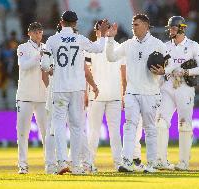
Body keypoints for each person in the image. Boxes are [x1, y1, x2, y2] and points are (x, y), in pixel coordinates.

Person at [41, 11, 109, 175]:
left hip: (59, 88)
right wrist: (103, 34)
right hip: (77, 88)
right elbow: (99, 48)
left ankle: (62, 161)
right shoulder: (80, 39)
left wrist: (51, 69)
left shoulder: (52, 40)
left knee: (58, 124)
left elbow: (44, 66)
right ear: (75, 24)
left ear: (61, 22)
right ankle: (77, 165)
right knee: (77, 127)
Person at [106, 14, 170, 173]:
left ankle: (152, 163)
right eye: (132, 24)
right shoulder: (128, 44)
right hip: (132, 92)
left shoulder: (158, 44)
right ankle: (127, 161)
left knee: (150, 128)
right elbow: (111, 57)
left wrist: (164, 71)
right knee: (129, 126)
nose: (133, 27)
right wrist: (110, 40)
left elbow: (171, 64)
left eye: (136, 24)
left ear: (146, 26)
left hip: (150, 93)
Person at [152, 16, 199, 171]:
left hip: (185, 87)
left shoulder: (193, 46)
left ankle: (183, 162)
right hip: (167, 86)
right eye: (170, 28)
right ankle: (161, 160)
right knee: (161, 122)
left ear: (182, 28)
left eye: (173, 28)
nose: (170, 31)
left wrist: (186, 71)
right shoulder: (164, 46)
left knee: (184, 125)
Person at [85, 20, 126, 171]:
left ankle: (118, 163)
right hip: (96, 96)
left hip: (113, 95)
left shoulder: (118, 48)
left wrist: (124, 93)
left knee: (113, 131)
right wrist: (85, 93)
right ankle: (89, 163)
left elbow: (123, 73)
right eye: (99, 29)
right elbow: (86, 72)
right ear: (96, 31)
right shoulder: (90, 48)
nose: (102, 31)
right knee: (94, 131)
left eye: (105, 29)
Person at [16, 22, 54, 174]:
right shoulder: (22, 48)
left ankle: (49, 164)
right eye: (35, 31)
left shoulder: (46, 47)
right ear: (29, 33)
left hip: (43, 96)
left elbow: (50, 69)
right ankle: (23, 165)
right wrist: (39, 56)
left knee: (46, 133)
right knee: (23, 133)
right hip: (25, 96)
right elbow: (23, 66)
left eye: (40, 31)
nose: (39, 34)